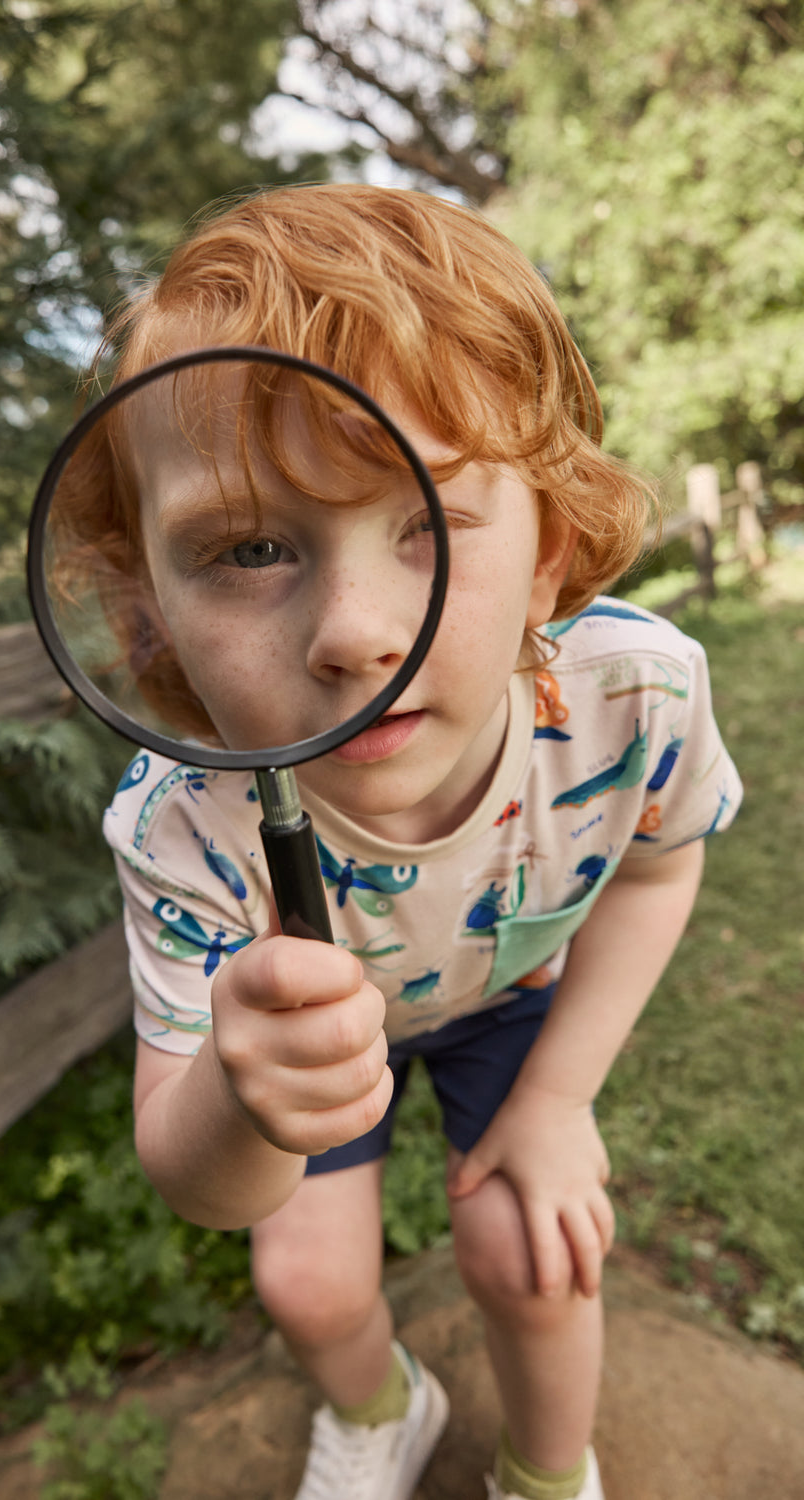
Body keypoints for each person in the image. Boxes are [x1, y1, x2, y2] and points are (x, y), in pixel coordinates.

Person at [87, 184, 741, 1500]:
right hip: (308, 1035)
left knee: (532, 1248)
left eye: (427, 523)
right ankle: (383, 1409)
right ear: (146, 611)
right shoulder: (186, 828)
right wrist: (242, 1095)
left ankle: (549, 1474)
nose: (355, 634)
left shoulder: (638, 697)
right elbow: (202, 1179)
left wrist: (558, 1100)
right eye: (253, 546)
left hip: (514, 1003)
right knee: (307, 1280)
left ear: (550, 554)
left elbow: (664, 864)